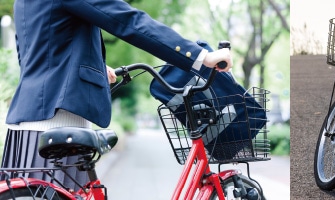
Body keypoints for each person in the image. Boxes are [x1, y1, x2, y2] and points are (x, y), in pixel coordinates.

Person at [3, 0, 233, 191]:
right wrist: (200, 56)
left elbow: (37, 53)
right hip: (60, 124)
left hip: (26, 127)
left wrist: (92, 64)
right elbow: (126, 20)